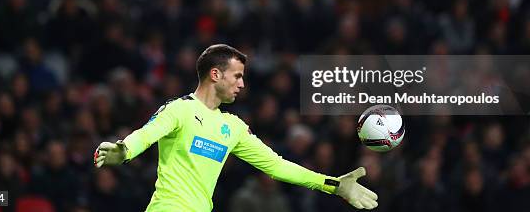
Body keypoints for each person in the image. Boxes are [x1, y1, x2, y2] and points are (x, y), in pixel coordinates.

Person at [94, 44, 378, 211]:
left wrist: (333, 185)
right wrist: (124, 151)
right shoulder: (180, 109)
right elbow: (147, 134)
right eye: (237, 76)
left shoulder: (233, 127)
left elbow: (276, 166)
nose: (242, 84)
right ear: (215, 74)